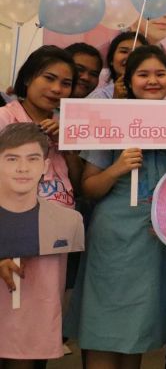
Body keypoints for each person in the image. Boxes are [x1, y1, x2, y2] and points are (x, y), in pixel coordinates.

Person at [65, 46, 166, 369]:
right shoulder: (110, 119)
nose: (153, 81)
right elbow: (88, 188)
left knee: (136, 331)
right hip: (112, 238)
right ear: (128, 81)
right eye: (143, 74)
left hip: (154, 240)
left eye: (160, 74)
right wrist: (117, 168)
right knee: (102, 324)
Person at [0, 123, 84, 366]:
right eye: (12, 159)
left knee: (25, 356)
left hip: (32, 317)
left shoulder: (66, 222)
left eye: (33, 159)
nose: (22, 168)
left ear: (45, 166)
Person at [0, 46, 78, 209]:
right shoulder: (5, 118)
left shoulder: (67, 123)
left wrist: (66, 143)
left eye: (66, 84)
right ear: (28, 78)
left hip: (61, 218)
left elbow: (79, 185)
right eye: (49, 78)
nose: (57, 89)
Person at [88, 32, 149, 99]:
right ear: (111, 59)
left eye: (137, 52)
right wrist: (116, 99)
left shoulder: (155, 92)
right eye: (124, 51)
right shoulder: (98, 97)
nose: (130, 57)